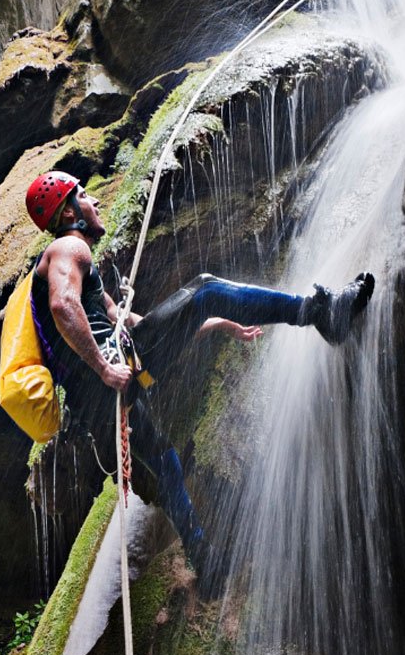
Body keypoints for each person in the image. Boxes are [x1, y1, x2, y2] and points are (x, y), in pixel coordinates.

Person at [25, 171, 374, 589]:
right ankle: (320, 312)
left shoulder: (82, 265)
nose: (95, 200)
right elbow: (63, 304)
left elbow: (124, 320)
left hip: (103, 398)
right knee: (206, 287)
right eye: (84, 195)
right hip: (113, 376)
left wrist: (214, 326)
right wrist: (103, 366)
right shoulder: (67, 247)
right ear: (68, 211)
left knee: (166, 462)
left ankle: (205, 563)